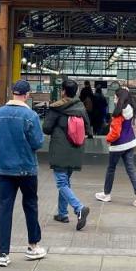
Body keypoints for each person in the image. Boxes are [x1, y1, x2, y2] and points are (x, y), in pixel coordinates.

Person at [0, 80, 47, 266]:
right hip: (27, 168)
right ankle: (33, 246)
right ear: (27, 95)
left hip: (4, 168)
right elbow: (38, 143)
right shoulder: (31, 116)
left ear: (13, 93)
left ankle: (3, 254)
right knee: (30, 205)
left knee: (3, 209)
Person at [42, 79, 92, 229]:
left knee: (61, 182)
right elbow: (89, 130)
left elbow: (46, 128)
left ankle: (79, 208)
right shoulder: (80, 107)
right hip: (76, 149)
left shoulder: (57, 107)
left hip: (60, 149)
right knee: (66, 181)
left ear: (63, 91)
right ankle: (62, 213)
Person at [95, 86, 136, 206]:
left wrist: (108, 139)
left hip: (118, 145)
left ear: (119, 98)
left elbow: (115, 133)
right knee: (131, 169)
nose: (114, 98)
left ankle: (106, 194)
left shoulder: (119, 113)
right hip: (130, 143)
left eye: (115, 96)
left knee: (111, 168)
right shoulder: (132, 108)